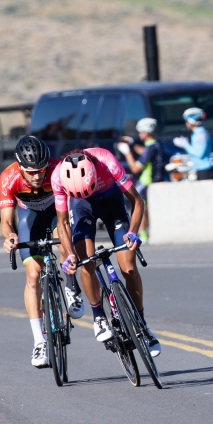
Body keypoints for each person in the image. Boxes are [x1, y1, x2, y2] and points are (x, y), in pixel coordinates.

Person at [52, 148, 161, 357]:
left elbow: (137, 201)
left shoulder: (107, 161)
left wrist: (133, 232)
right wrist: (70, 254)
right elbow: (63, 222)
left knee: (128, 266)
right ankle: (98, 315)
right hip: (81, 208)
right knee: (86, 263)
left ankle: (142, 323)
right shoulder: (59, 176)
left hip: (112, 202)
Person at [0, 135, 82, 369]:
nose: (37, 176)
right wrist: (10, 237)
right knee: (33, 276)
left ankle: (70, 286)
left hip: (57, 213)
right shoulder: (9, 177)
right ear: (20, 167)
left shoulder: (57, 170)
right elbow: (6, 221)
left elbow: (65, 218)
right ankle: (39, 341)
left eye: (41, 170)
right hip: (29, 218)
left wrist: (68, 246)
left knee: (64, 246)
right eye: (31, 172)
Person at [117, 118, 164, 242]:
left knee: (140, 208)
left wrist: (127, 152)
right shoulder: (154, 145)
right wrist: (132, 144)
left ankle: (142, 235)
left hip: (145, 182)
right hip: (153, 180)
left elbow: (135, 168)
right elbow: (144, 152)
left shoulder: (150, 148)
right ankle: (143, 234)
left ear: (145, 133)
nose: (139, 135)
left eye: (140, 132)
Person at [173, 107, 213, 180]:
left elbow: (199, 154)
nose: (186, 124)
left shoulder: (200, 134)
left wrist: (186, 145)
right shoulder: (196, 134)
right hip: (200, 169)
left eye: (186, 121)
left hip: (204, 170)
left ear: (190, 121)